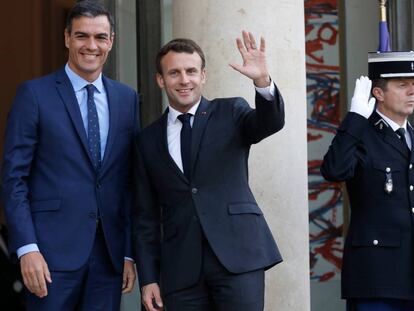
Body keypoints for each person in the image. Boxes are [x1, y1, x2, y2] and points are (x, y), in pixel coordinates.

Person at [1, 1, 139, 310]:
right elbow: (14, 178)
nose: (92, 46)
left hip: (108, 257)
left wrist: (128, 252)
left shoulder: (127, 99)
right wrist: (27, 248)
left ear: (112, 41)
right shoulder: (34, 94)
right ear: (67, 38)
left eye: (100, 37)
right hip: (49, 257)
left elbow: (129, 181)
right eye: (82, 36)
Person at [133, 31, 284, 311]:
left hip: (238, 258)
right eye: (174, 73)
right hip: (180, 270)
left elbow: (269, 123)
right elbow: (145, 217)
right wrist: (149, 278)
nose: (184, 80)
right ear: (160, 80)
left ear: (203, 75)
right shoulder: (146, 140)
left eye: (191, 71)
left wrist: (262, 82)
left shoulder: (230, 111)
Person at [321, 51, 414, 310]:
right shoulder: (361, 135)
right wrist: (355, 119)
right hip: (376, 276)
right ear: (378, 93)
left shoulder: (412, 137)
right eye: (402, 85)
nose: (411, 91)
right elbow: (334, 170)